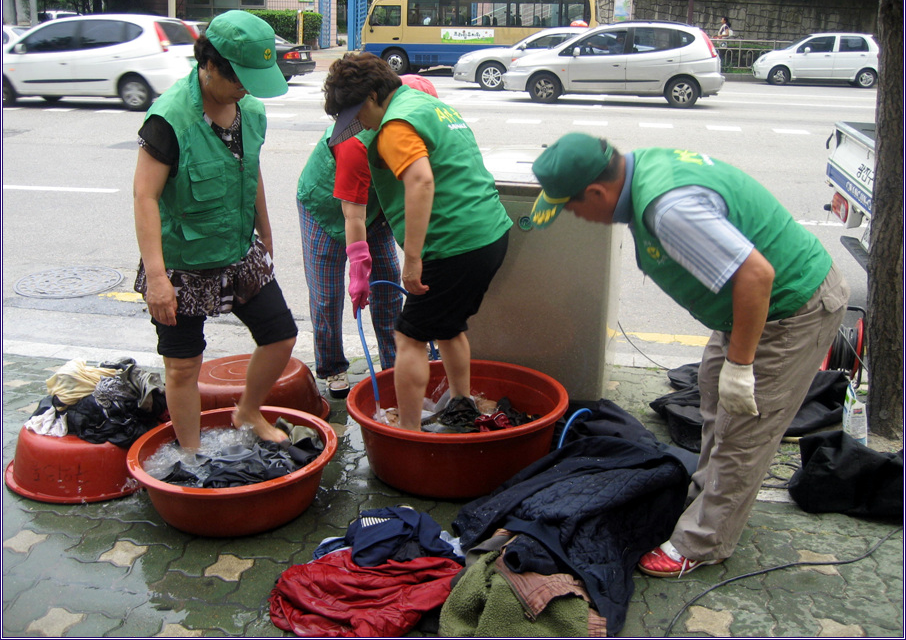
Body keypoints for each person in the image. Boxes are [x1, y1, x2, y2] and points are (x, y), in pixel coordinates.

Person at [529, 133, 850, 577]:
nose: (574, 216)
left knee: (744, 432)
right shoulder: (641, 169)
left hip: (790, 309)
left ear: (598, 192)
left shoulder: (669, 209)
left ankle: (703, 542)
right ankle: (707, 499)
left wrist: (741, 366)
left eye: (571, 206)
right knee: (715, 401)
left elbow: (756, 276)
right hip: (748, 309)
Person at [133, 10, 298, 450]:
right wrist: (157, 278)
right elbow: (144, 196)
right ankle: (190, 454)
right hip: (182, 262)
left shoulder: (251, 112)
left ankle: (249, 411)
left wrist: (265, 232)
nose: (245, 89)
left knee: (281, 335)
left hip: (240, 250)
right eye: (238, 79)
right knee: (183, 366)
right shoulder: (169, 119)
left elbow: (251, 170)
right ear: (208, 64)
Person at [323, 53, 512, 431]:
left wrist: (412, 260)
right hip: (490, 235)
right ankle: (461, 406)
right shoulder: (427, 105)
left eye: (358, 114)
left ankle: (409, 432)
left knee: (409, 336)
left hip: (454, 246)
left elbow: (421, 180)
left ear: (373, 95)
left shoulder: (395, 124)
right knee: (448, 325)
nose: (360, 124)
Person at [295, 75, 437, 398]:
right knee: (327, 295)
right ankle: (332, 366)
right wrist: (358, 268)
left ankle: (393, 364)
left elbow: (421, 190)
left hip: (375, 210)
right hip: (325, 208)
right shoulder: (355, 140)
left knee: (388, 288)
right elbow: (352, 215)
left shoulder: (416, 129)